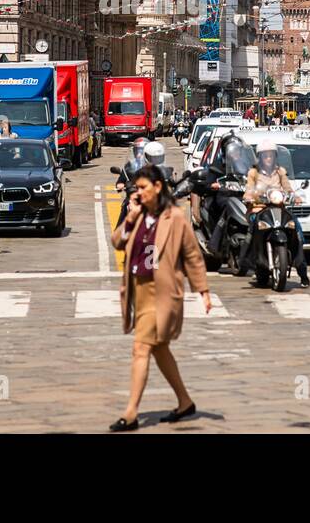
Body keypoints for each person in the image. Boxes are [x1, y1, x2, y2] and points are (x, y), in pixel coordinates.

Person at [109, 164, 211, 431]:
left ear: (157, 188)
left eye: (143, 188)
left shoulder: (174, 217)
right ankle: (185, 401)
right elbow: (117, 242)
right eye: (137, 188)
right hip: (138, 291)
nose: (139, 193)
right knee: (160, 349)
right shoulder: (138, 215)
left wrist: (203, 290)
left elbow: (191, 255)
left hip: (162, 292)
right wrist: (130, 218)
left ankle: (130, 412)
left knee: (140, 348)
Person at [240, 138, 310, 288]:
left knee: (296, 228)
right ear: (260, 157)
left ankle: (302, 268)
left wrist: (294, 196)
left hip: (279, 209)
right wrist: (249, 196)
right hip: (259, 208)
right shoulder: (254, 172)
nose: (268, 158)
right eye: (265, 155)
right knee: (253, 226)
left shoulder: (280, 172)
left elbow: (287, 187)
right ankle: (246, 259)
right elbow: (249, 188)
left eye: (271, 155)